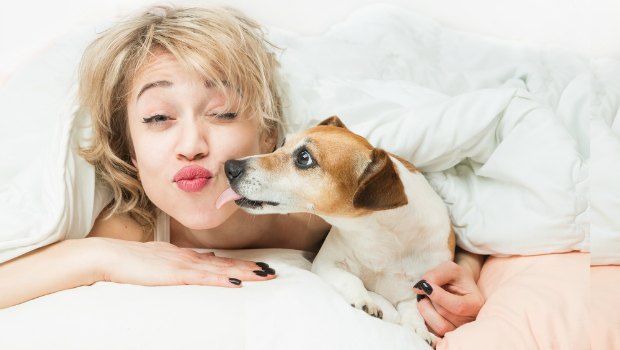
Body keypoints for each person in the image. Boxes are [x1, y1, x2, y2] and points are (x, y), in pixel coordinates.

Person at [0, 5, 486, 340]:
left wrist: (460, 274)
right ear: (128, 150)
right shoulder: (132, 226)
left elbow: (462, 216)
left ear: (270, 135)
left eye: (224, 112)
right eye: (157, 118)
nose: (192, 145)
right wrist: (99, 257)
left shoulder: (328, 202)